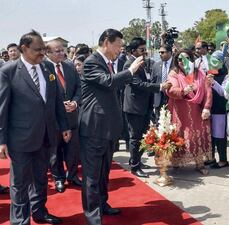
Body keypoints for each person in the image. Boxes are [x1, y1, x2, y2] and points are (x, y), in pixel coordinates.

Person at [0, 30, 71, 225]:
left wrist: (64, 125)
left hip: (47, 136)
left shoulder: (48, 69)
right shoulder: (9, 72)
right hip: (20, 139)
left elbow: (56, 100)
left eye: (44, 49)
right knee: (20, 183)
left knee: (40, 179)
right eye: (38, 49)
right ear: (24, 48)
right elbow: (2, 109)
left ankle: (39, 212)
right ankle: (20, 221)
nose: (42, 53)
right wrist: (2, 140)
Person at [79, 28, 143, 225]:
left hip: (107, 129)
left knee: (104, 172)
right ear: (106, 42)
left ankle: (103, 204)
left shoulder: (107, 63)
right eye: (118, 46)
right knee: (92, 175)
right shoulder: (91, 63)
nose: (120, 50)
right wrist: (131, 70)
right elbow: (107, 82)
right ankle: (93, 216)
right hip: (94, 128)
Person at [123, 37, 172, 178]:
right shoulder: (129, 65)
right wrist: (160, 86)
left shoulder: (142, 62)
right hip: (134, 107)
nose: (145, 52)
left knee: (142, 136)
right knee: (135, 137)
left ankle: (137, 160)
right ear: (133, 51)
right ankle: (135, 167)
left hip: (144, 106)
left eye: (145, 49)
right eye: (142, 50)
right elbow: (138, 84)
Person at [165, 49, 213, 175]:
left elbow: (208, 91)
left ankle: (199, 164)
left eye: (186, 58)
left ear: (191, 59)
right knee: (179, 136)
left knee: (196, 136)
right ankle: (176, 163)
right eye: (180, 59)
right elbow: (170, 90)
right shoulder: (174, 73)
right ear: (176, 61)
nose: (182, 61)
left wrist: (207, 107)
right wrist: (183, 90)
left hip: (197, 111)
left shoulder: (199, 73)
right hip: (180, 112)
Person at [44, 39, 82, 193]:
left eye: (62, 50)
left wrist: (75, 102)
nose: (62, 53)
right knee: (56, 151)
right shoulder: (43, 69)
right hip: (53, 119)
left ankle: (72, 175)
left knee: (73, 149)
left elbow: (79, 88)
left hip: (72, 116)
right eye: (57, 51)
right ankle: (58, 178)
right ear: (47, 53)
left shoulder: (70, 67)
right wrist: (60, 106)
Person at [208, 50, 229, 169]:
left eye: (216, 61)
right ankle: (211, 158)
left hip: (220, 109)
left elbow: (223, 93)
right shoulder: (209, 74)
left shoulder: (226, 76)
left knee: (220, 135)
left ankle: (223, 159)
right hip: (209, 109)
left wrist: (213, 82)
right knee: (210, 136)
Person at [151, 44, 174, 124]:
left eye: (162, 52)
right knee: (159, 124)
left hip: (173, 99)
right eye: (159, 52)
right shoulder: (156, 65)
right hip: (159, 101)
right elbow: (152, 82)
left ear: (170, 53)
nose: (160, 54)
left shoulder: (177, 64)